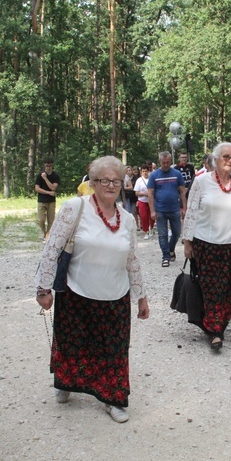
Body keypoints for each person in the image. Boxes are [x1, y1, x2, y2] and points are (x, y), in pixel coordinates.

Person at [35, 156, 150, 424]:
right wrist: (43, 288)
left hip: (116, 296)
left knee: (114, 351)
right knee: (72, 343)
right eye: (104, 180)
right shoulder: (75, 208)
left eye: (116, 180)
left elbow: (132, 259)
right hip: (76, 293)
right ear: (93, 182)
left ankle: (113, 398)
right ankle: (65, 382)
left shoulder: (128, 219)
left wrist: (141, 296)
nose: (110, 185)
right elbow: (52, 250)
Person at [182, 142, 231, 351]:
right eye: (226, 157)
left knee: (229, 288)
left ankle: (220, 322)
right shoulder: (202, 181)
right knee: (212, 288)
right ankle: (215, 330)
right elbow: (192, 213)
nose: (230, 161)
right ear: (216, 159)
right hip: (207, 245)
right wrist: (187, 242)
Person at [147, 151, 187, 267]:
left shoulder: (176, 174)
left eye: (168, 162)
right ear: (160, 162)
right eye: (163, 162)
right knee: (162, 234)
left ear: (170, 161)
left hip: (175, 209)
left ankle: (170, 249)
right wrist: (152, 210)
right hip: (160, 210)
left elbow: (182, 191)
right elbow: (150, 193)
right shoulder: (154, 175)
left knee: (176, 233)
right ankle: (166, 256)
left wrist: (184, 208)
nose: (165, 165)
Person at [35, 157, 60, 241]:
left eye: (49, 165)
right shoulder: (40, 175)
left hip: (51, 201)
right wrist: (48, 192)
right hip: (41, 200)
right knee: (40, 219)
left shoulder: (55, 175)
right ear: (44, 165)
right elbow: (37, 188)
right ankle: (44, 233)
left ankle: (48, 236)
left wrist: (45, 178)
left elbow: (53, 187)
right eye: (46, 165)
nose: (48, 167)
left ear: (52, 165)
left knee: (51, 220)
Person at [134, 165, 153, 239]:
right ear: (141, 172)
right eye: (143, 171)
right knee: (144, 216)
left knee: (152, 216)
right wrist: (145, 194)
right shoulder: (139, 180)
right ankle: (145, 231)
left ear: (148, 171)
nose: (145, 173)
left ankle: (151, 228)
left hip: (151, 200)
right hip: (142, 200)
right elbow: (136, 192)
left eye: (146, 171)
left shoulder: (151, 179)